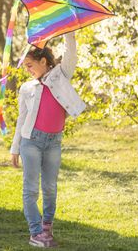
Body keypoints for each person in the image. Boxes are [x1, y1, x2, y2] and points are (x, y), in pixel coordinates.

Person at [10, 31, 86, 247]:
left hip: (53, 142)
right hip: (31, 141)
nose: (27, 70)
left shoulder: (61, 76)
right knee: (31, 188)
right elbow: (21, 119)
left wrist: (69, 31)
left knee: (50, 187)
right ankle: (35, 231)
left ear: (43, 61)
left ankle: (47, 227)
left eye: (30, 65)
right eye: (25, 66)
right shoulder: (27, 88)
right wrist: (15, 148)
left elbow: (71, 54)